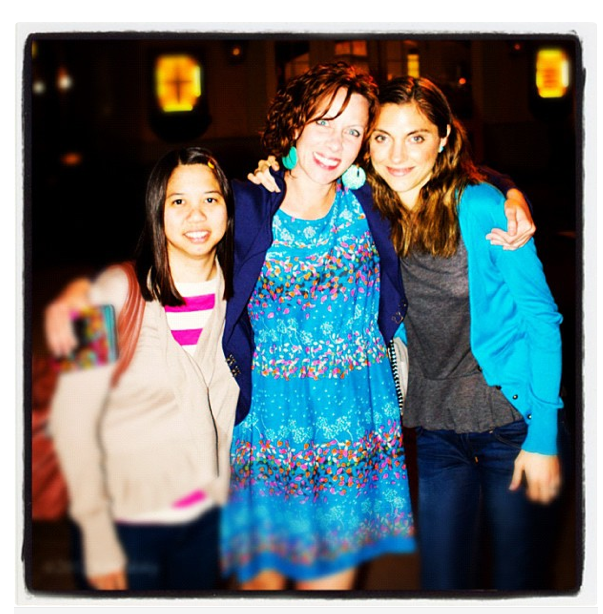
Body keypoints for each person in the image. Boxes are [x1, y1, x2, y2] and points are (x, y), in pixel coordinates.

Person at [45, 62, 535, 591]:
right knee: (262, 589)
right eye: (323, 122)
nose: (337, 143)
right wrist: (85, 298)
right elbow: (173, 231)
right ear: (294, 123)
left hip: (356, 428)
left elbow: (445, 174)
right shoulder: (245, 205)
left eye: (354, 131)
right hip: (269, 432)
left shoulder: (374, 201)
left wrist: (510, 191)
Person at [365, 76, 563, 590]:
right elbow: (309, 171)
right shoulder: (369, 207)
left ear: (444, 139)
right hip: (436, 425)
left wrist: (543, 437)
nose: (397, 155)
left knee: (518, 581)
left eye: (416, 137)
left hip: (510, 423)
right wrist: (278, 167)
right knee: (442, 583)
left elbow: (542, 320)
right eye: (383, 137)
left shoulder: (480, 207)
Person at [48, 147, 239, 591]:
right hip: (125, 526)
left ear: (229, 211)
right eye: (179, 201)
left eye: (210, 199)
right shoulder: (105, 293)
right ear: (157, 210)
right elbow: (70, 415)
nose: (196, 215)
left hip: (206, 525)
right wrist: (96, 534)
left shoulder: (244, 297)